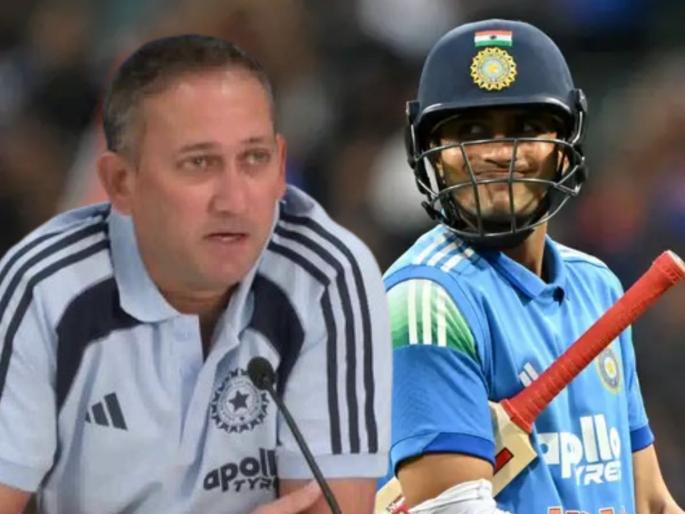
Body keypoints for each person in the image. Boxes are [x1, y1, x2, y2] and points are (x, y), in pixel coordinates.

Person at [0, 34, 391, 514]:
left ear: (281, 166)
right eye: (199, 163)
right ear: (121, 182)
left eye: (255, 159)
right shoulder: (44, 289)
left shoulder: (326, 277)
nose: (234, 200)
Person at [381, 19, 683, 514]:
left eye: (525, 128)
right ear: (430, 153)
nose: (500, 153)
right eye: (472, 131)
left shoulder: (598, 286)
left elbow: (648, 500)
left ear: (566, 146)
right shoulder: (424, 302)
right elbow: (453, 509)